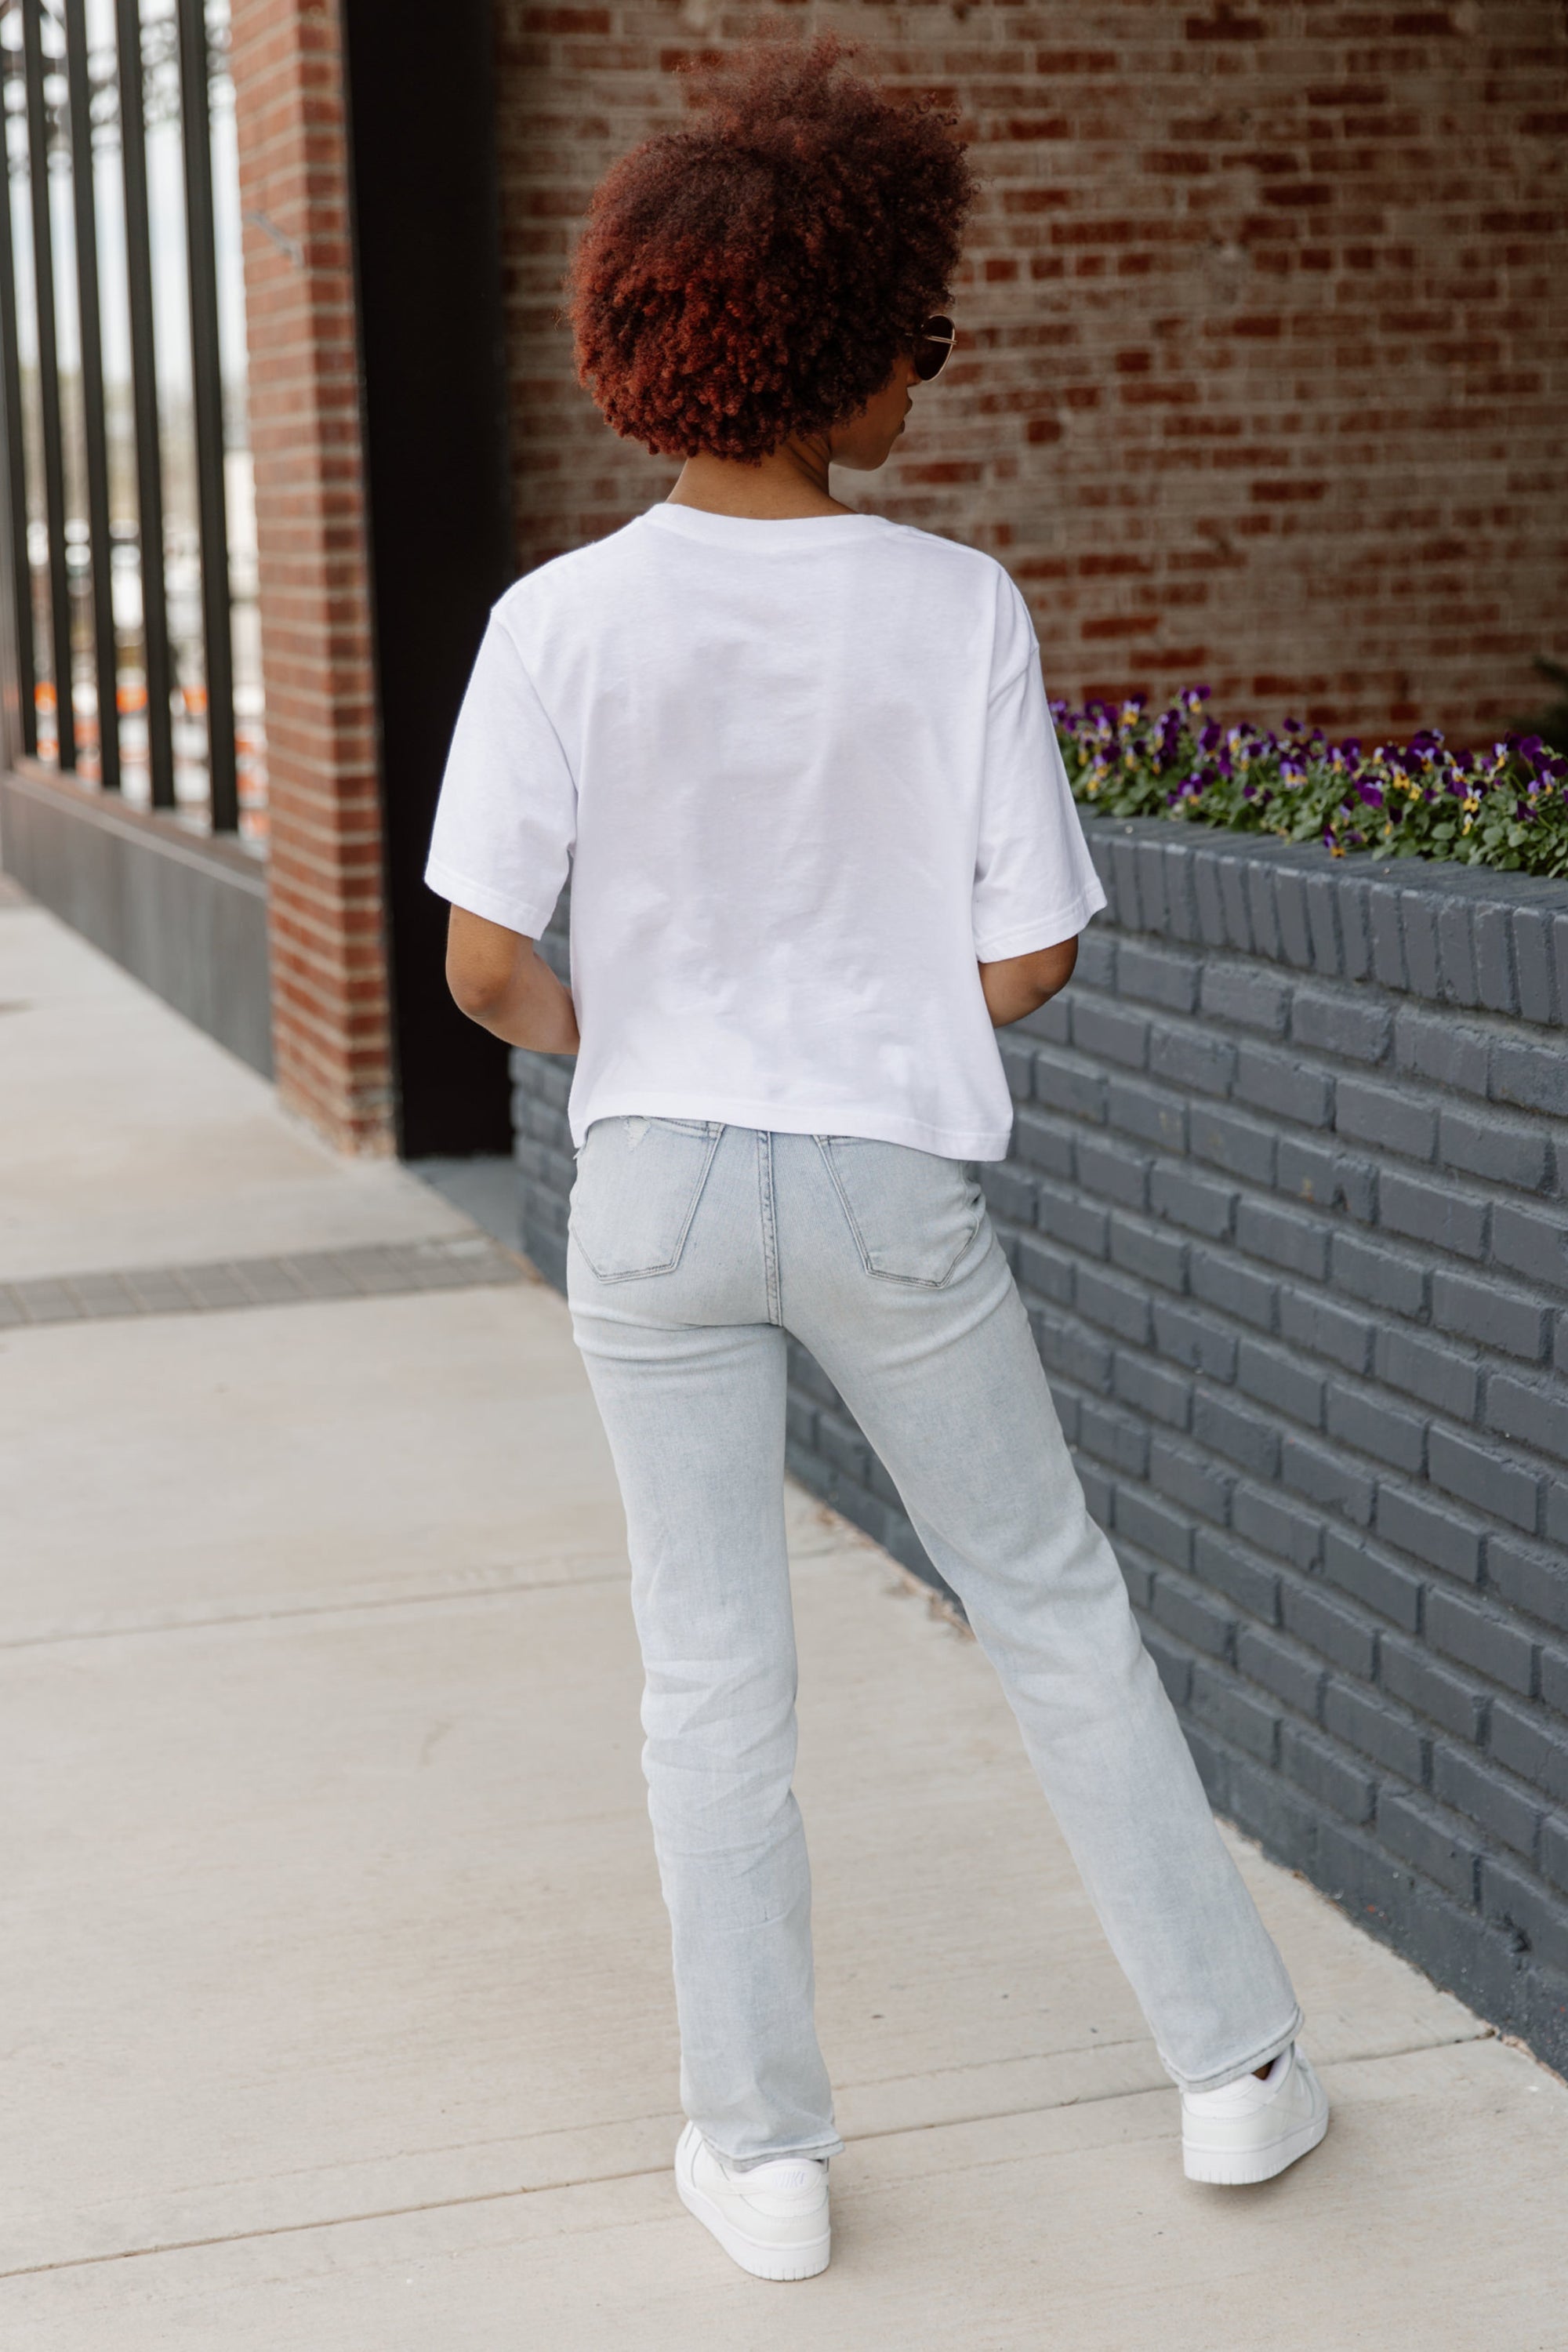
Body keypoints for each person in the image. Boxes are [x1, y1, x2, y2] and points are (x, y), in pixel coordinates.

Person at [425, 35, 1327, 2284]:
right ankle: (1234, 2079)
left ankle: (764, 2154)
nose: (927, 370)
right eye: (916, 332)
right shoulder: (957, 613)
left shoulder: (555, 623)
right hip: (886, 1187)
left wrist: (639, 1044)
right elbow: (1028, 962)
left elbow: (473, 969)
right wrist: (880, 1010)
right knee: (1050, 1607)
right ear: (839, 342)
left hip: (647, 1182)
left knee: (710, 1673)